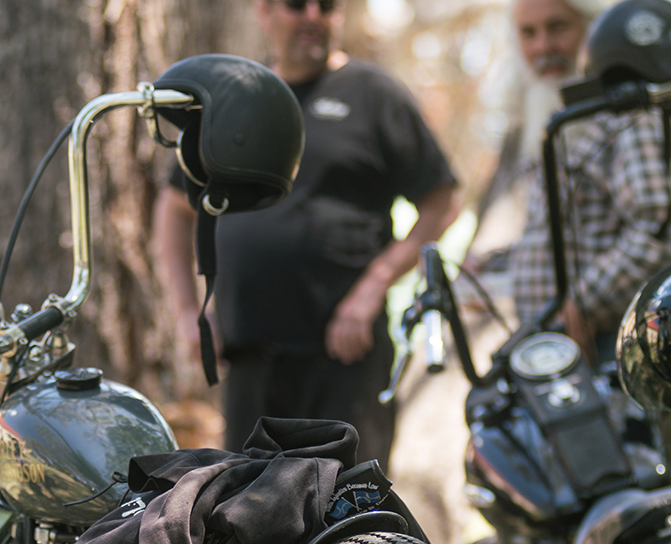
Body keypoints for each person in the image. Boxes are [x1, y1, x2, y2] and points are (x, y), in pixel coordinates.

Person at [153, 0, 461, 471]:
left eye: (328, 6)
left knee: (352, 522)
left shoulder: (373, 94)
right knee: (252, 525)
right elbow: (175, 209)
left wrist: (372, 289)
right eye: (297, 5)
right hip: (251, 360)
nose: (313, 16)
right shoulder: (237, 100)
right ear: (265, 12)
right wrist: (185, 312)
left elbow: (442, 200)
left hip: (344, 362)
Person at [507, 0, 671, 365]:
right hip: (558, 353)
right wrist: (497, 264)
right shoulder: (555, 117)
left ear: (593, 29)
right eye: (528, 33)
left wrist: (581, 303)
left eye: (557, 27)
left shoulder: (626, 110)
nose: (543, 47)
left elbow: (663, 231)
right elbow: (572, 236)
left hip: (619, 352)